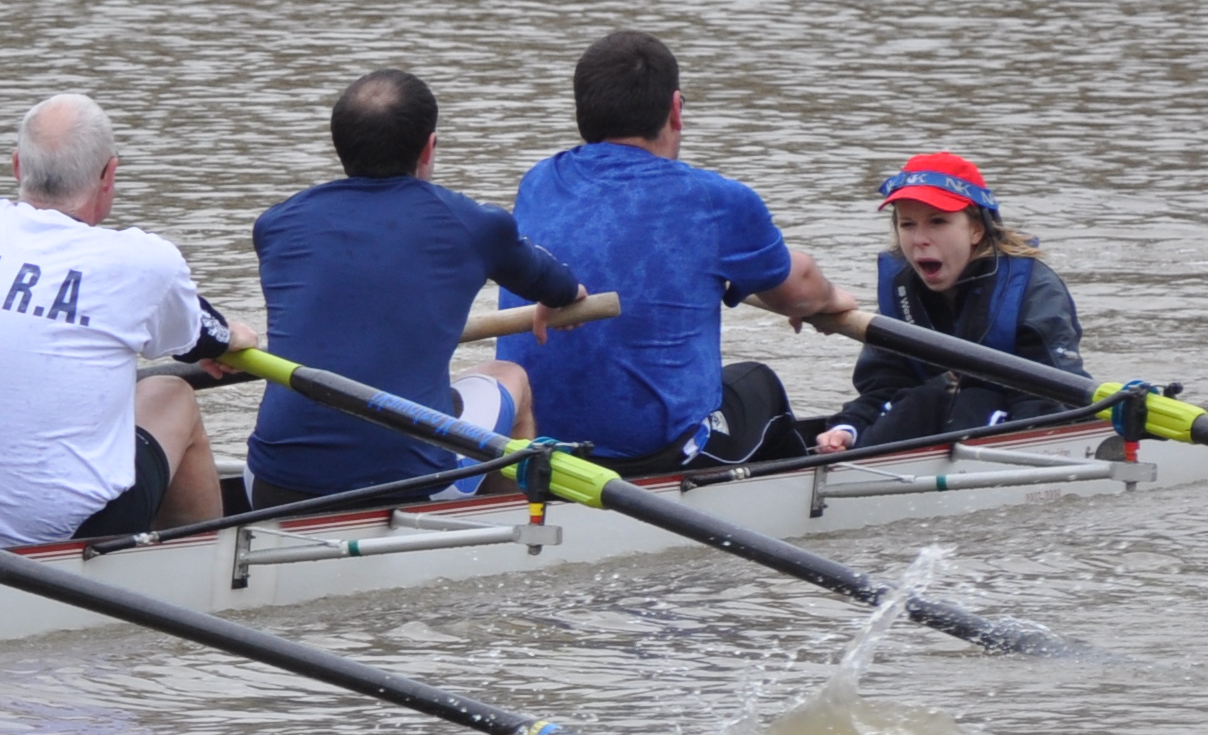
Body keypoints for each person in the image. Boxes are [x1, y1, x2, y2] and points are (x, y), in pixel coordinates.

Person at [0, 92, 228, 544]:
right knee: (170, 393)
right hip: (61, 534)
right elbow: (197, 340)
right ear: (109, 174)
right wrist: (228, 341)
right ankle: (204, 560)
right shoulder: (144, 260)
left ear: (17, 166)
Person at [496, 31, 845, 477]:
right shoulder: (716, 201)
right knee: (759, 385)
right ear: (676, 109)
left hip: (534, 442)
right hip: (651, 455)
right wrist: (832, 300)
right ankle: (802, 494)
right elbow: (798, 293)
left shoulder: (539, 181)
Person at [240, 69, 587, 510]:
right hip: (412, 482)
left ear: (339, 145)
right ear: (429, 147)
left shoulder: (276, 226)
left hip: (273, 483)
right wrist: (564, 296)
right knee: (509, 375)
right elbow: (559, 287)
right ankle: (507, 529)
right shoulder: (475, 225)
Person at [810, 152, 1090, 452]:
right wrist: (849, 427)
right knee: (925, 399)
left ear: (976, 229)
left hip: (1014, 422)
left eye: (938, 222)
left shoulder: (1035, 292)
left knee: (971, 399)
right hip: (941, 420)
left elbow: (1050, 400)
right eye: (907, 224)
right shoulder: (901, 292)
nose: (919, 239)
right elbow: (886, 388)